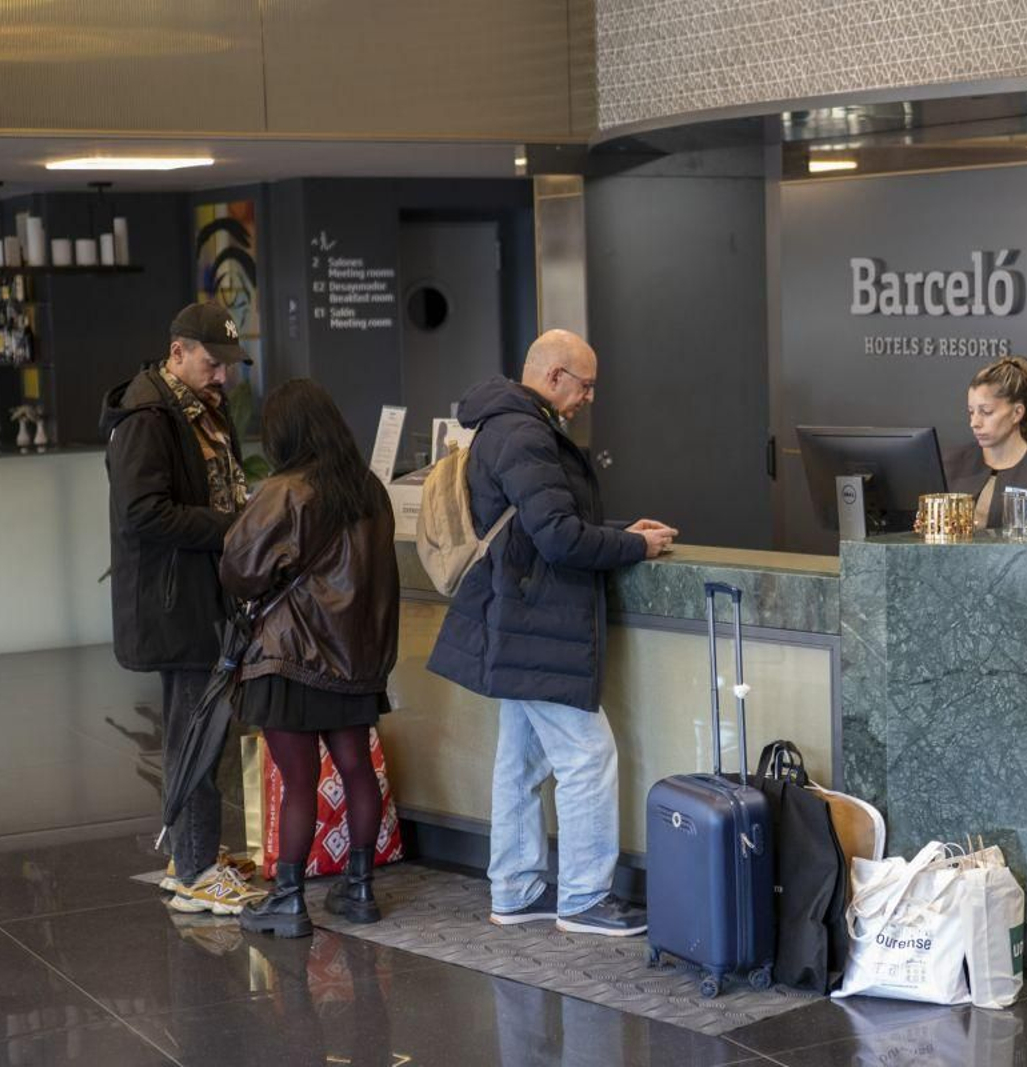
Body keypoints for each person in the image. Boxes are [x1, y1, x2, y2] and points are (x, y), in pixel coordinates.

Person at [427, 329, 677, 937]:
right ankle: (587, 898)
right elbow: (560, 540)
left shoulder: (506, 426)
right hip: (537, 622)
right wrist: (633, 546)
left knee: (521, 760)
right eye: (586, 384)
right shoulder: (526, 433)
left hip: (515, 620)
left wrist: (619, 530)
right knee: (588, 755)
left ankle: (515, 888)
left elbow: (541, 522)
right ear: (555, 375)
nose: (590, 397)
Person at [101, 302, 264, 915]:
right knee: (198, 734)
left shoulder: (198, 410)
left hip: (202, 593)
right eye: (212, 362)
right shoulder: (148, 419)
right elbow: (143, 512)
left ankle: (193, 856)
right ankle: (196, 870)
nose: (223, 376)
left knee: (196, 730)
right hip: (177, 601)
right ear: (176, 353)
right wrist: (230, 527)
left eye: (229, 365)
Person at [222, 379, 400, 939]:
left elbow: (239, 570)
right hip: (355, 661)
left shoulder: (284, 491)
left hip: (290, 657)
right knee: (356, 770)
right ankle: (361, 888)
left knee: (298, 783)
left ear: (286, 433)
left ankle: (289, 900)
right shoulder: (370, 490)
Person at [944, 355, 1027, 529]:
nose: (974, 423)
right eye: (971, 412)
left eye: (986, 412)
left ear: (1017, 413)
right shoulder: (952, 463)